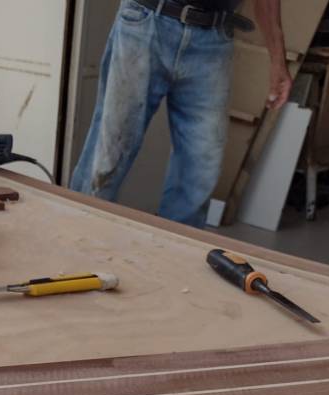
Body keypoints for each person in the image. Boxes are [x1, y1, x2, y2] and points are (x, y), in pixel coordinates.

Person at [70, 0, 290, 227]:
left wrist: (278, 60)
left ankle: (177, 247)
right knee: (106, 159)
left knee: (200, 171)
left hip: (213, 39)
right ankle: (76, 235)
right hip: (147, 20)